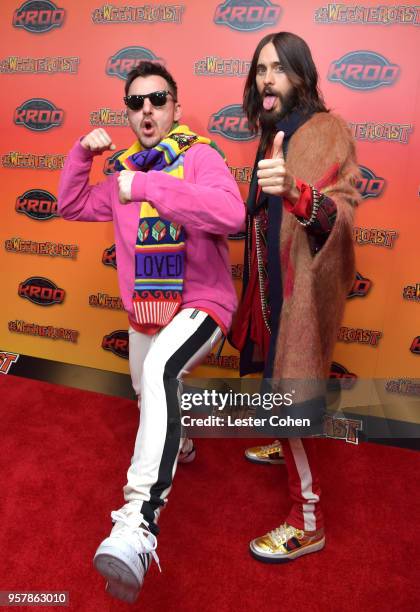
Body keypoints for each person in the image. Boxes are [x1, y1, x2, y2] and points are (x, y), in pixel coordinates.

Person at [58, 61, 245, 602]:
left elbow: (230, 213)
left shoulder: (200, 155)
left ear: (175, 108)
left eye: (158, 99)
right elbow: (70, 205)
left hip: (203, 304)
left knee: (162, 369)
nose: (147, 110)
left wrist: (148, 185)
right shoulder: (119, 171)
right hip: (148, 312)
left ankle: (138, 523)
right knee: (149, 392)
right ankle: (181, 442)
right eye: (136, 102)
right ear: (128, 111)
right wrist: (81, 156)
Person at [229, 32, 360, 562]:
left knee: (291, 391)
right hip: (272, 291)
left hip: (302, 291)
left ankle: (308, 521)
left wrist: (299, 193)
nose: (267, 79)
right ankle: (278, 438)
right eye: (261, 69)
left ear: (303, 75)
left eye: (279, 69)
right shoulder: (274, 134)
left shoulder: (326, 132)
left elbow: (340, 214)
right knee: (276, 382)